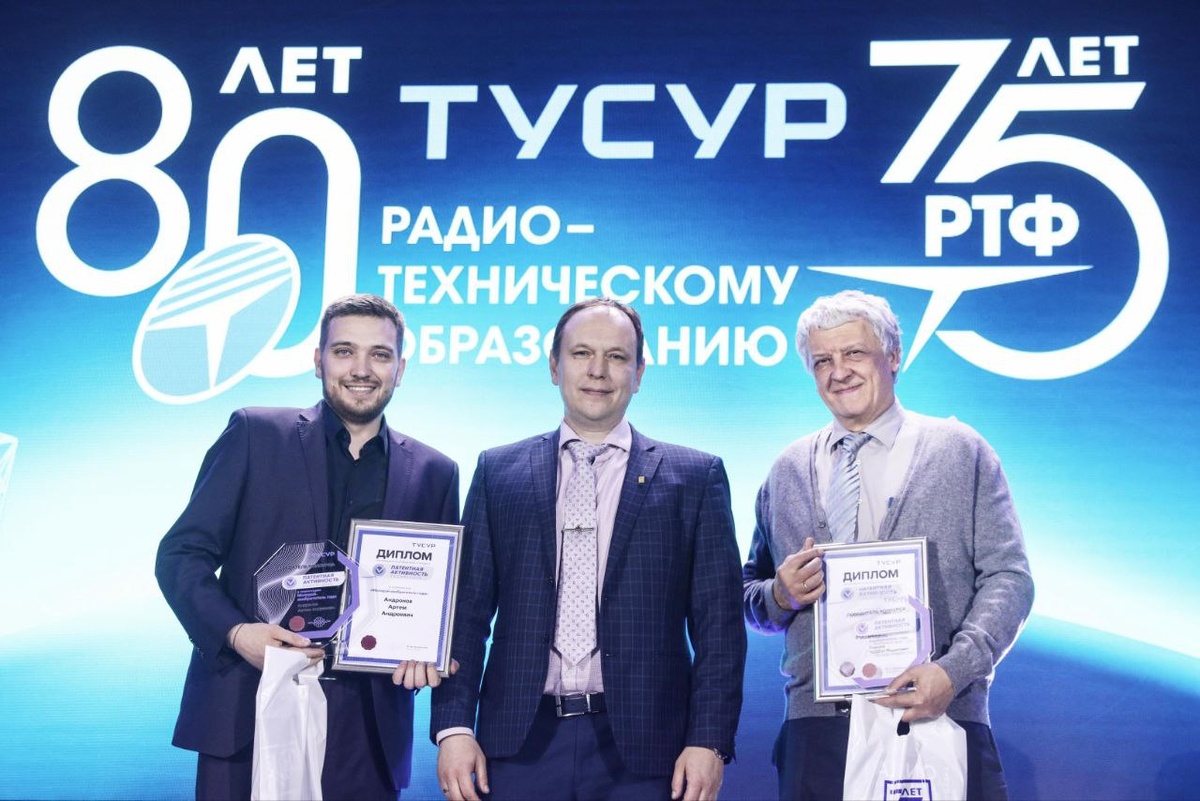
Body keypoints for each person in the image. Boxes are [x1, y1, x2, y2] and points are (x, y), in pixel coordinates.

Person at [431, 298, 746, 801]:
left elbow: (720, 628)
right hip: (517, 746)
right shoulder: (497, 472)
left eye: (617, 357)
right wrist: (453, 726)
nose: (598, 371)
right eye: (581, 354)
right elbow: (464, 614)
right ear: (554, 366)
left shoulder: (695, 476)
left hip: (649, 752)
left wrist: (708, 739)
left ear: (639, 374)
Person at [156, 293, 460, 801]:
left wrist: (424, 653)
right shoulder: (255, 433)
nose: (361, 369)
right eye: (344, 351)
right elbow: (181, 556)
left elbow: (437, 600)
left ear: (401, 368)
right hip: (249, 705)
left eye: (379, 355)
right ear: (318, 360)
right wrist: (237, 634)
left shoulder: (435, 472)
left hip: (367, 728)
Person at [742, 290, 1034, 800]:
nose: (839, 372)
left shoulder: (960, 451)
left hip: (939, 712)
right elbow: (749, 593)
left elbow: (1010, 578)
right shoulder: (787, 470)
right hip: (819, 731)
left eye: (854, 353)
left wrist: (953, 672)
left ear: (893, 356)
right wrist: (779, 595)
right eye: (822, 361)